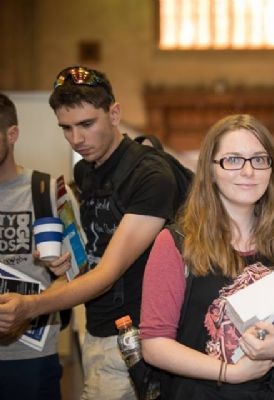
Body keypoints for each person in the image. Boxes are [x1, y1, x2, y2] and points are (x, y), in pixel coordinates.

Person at [0, 66, 181, 399]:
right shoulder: (85, 171)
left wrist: (30, 307)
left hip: (141, 337)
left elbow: (107, 274)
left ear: (114, 114)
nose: (76, 139)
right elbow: (93, 257)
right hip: (98, 329)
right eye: (66, 128)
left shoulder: (150, 175)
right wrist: (65, 265)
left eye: (86, 124)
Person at [139, 114, 274, 399]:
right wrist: (230, 372)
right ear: (211, 170)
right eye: (233, 159)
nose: (248, 171)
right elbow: (154, 344)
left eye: (259, 159)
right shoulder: (175, 243)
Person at [0, 92, 70, 400]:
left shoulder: (47, 192)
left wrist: (29, 308)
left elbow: (79, 276)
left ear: (12, 134)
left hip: (32, 359)